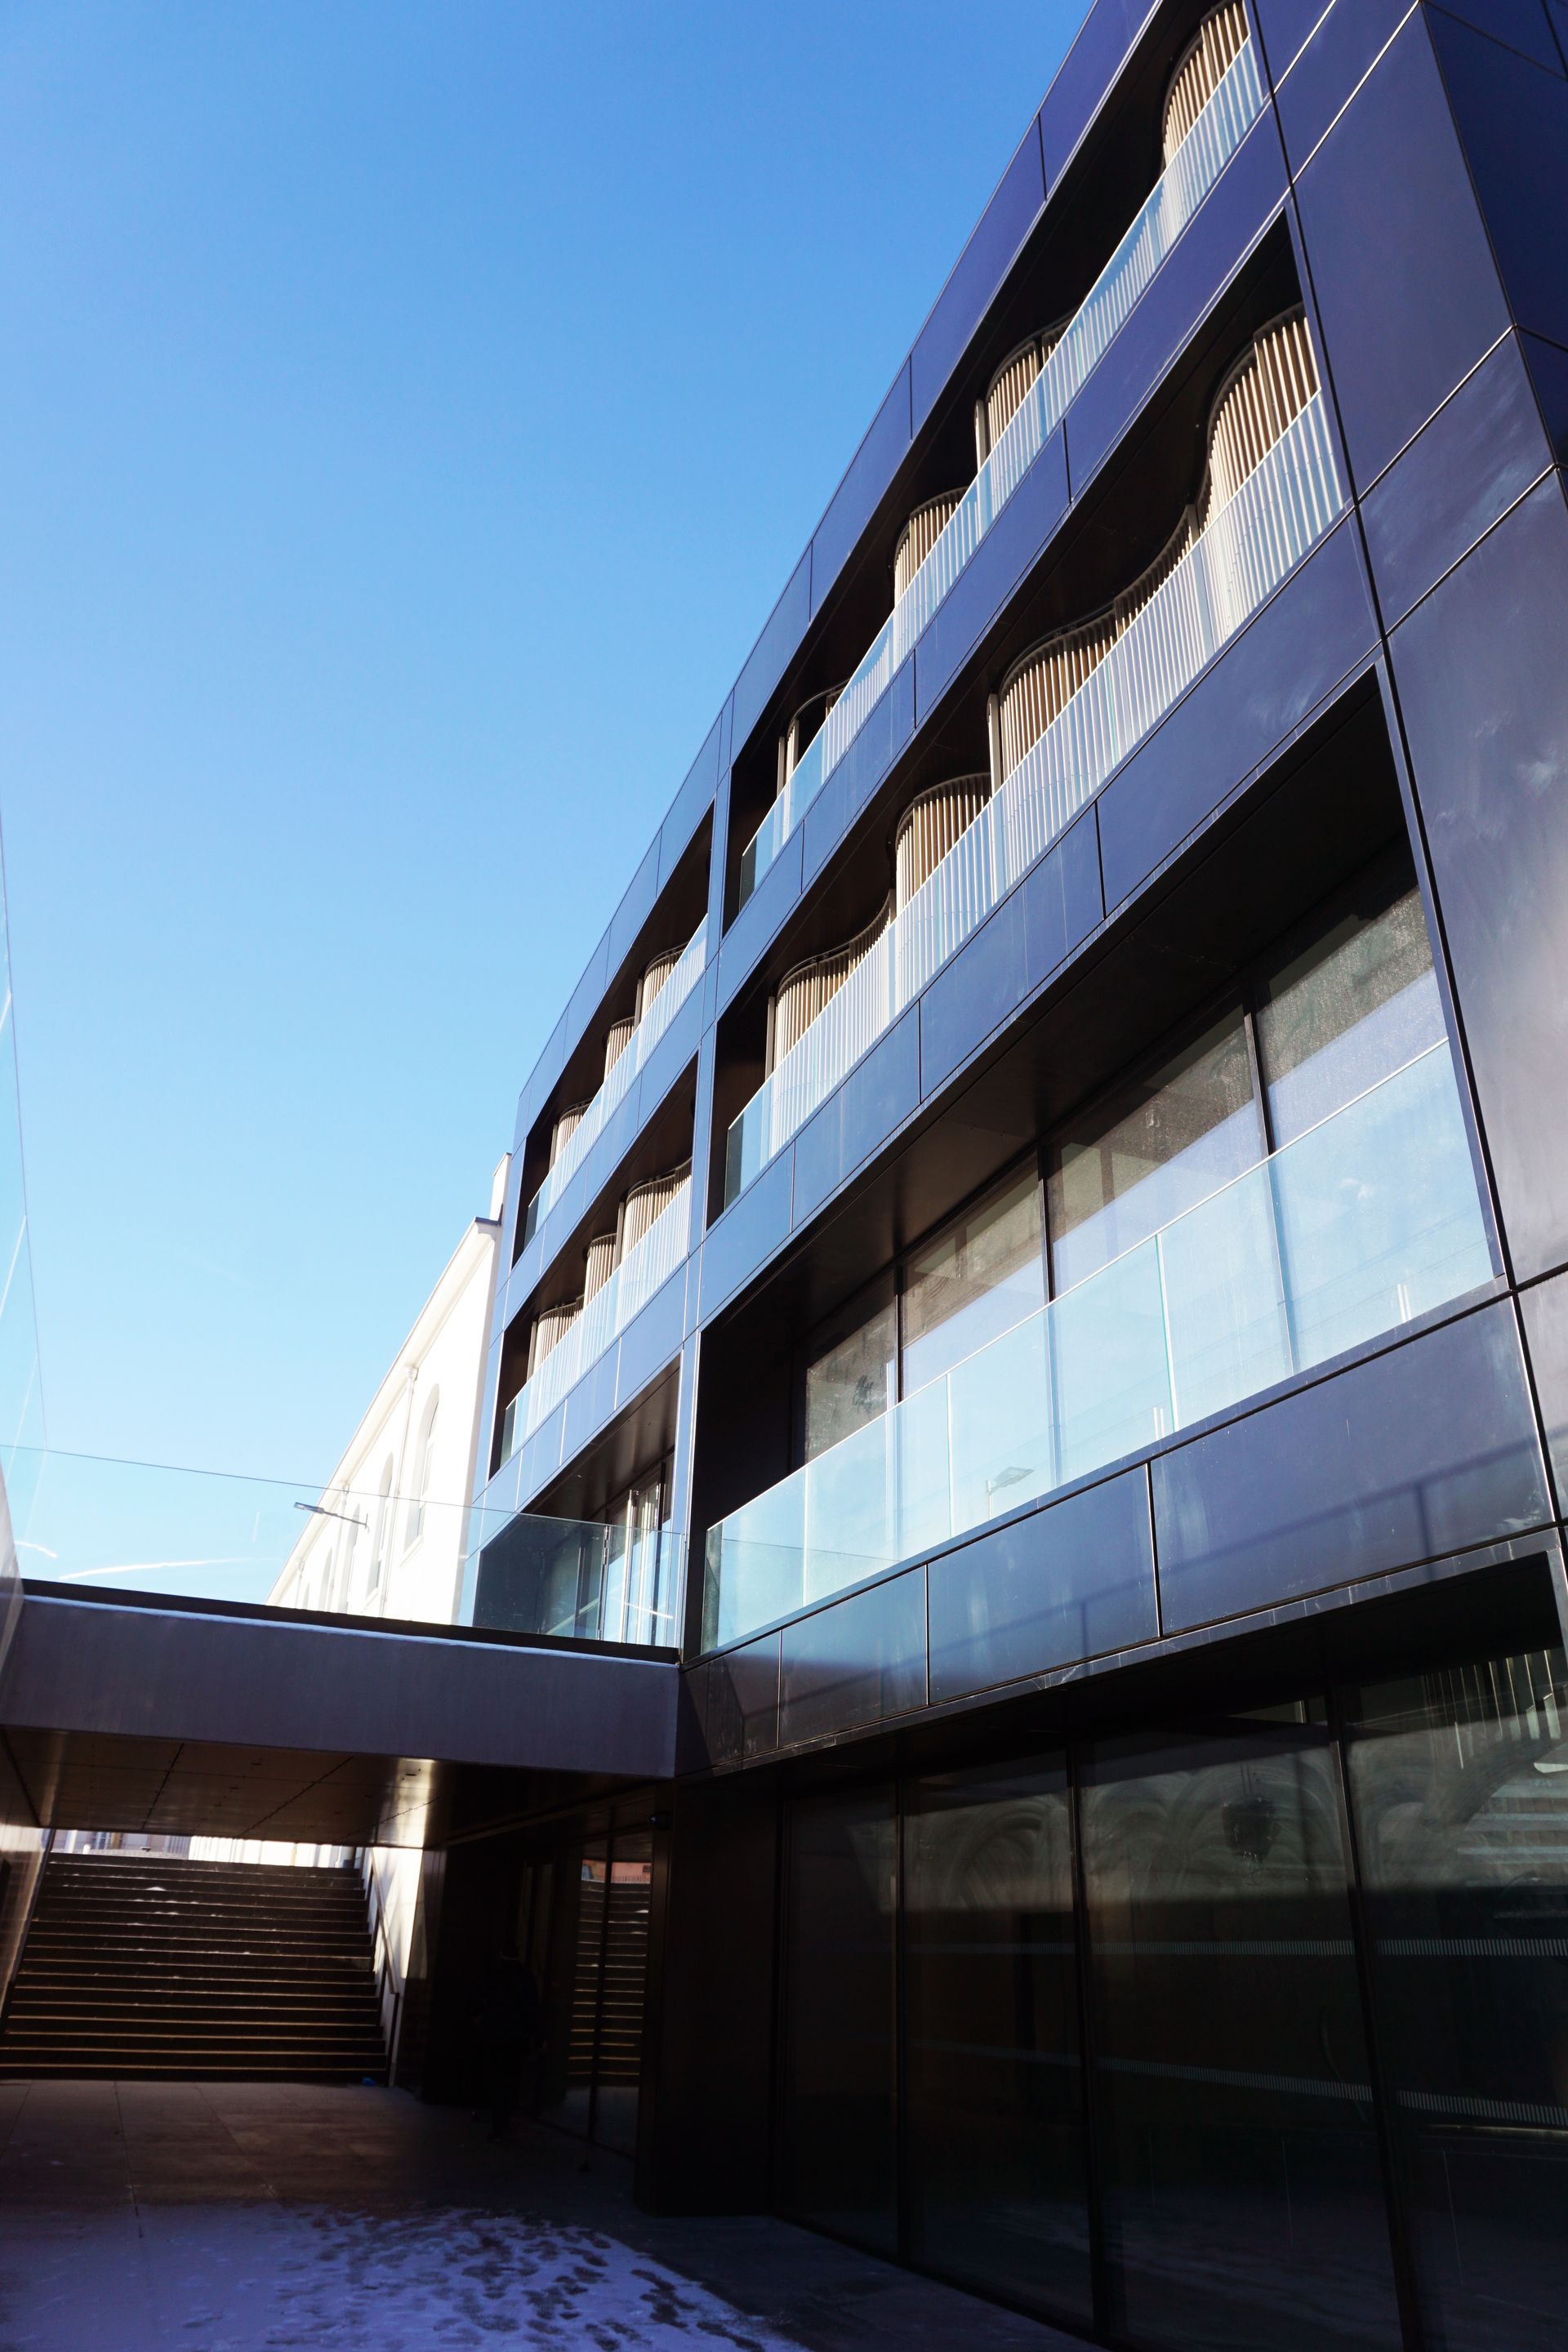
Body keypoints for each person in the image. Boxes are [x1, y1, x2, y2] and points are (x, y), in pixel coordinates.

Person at [474, 1948, 542, 2142]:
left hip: (496, 2037)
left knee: (497, 2080)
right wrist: (539, 2036)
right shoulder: (526, 1980)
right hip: (516, 2039)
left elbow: (480, 1997)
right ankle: (505, 2119)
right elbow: (532, 2009)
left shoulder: (495, 1978)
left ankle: (499, 2124)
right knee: (511, 2080)